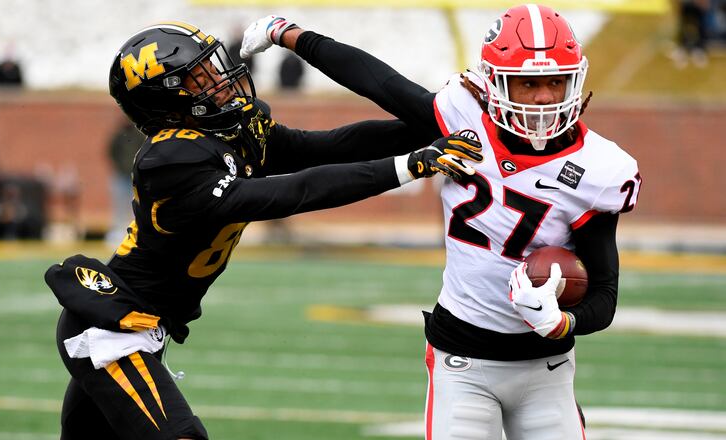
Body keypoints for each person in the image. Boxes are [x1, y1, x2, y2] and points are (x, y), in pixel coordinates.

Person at [45, 21, 483, 440]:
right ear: (168, 99)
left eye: (211, 69)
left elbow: (324, 148)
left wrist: (430, 125)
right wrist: (407, 167)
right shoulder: (170, 159)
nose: (219, 80)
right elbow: (288, 193)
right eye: (199, 78)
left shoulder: (230, 130)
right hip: (113, 326)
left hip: (146, 323)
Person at [241, 5, 642, 440]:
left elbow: (604, 293)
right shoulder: (463, 114)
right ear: (494, 83)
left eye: (555, 81)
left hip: (546, 368)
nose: (544, 96)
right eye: (528, 83)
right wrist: (288, 33)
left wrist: (563, 322)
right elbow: (378, 82)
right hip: (462, 360)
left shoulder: (599, 169)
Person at [105, 118, 145, 247]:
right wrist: (120, 167)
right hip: (121, 176)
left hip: (135, 177)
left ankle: (135, 233)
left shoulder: (139, 136)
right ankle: (117, 233)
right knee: (119, 206)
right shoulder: (119, 136)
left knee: (135, 205)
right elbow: (111, 152)